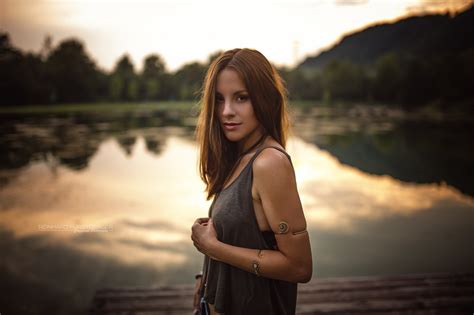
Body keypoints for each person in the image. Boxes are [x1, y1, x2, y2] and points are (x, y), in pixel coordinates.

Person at [191, 48, 313, 315]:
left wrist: (214, 248)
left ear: (265, 99)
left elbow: (299, 267)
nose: (226, 112)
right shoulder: (239, 156)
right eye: (219, 100)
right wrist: (204, 278)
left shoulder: (269, 163)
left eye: (241, 98)